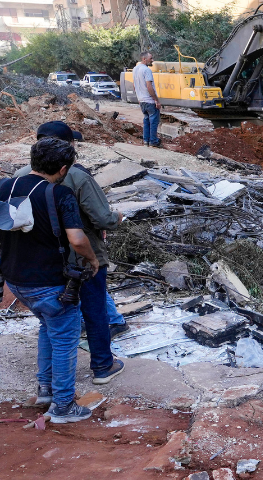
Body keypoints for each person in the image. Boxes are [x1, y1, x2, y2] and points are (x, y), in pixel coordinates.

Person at [16, 122, 129, 387]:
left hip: (41, 262)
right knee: (94, 310)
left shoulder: (19, 178)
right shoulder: (76, 177)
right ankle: (102, 365)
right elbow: (101, 219)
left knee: (50, 322)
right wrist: (118, 218)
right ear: (66, 149)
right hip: (81, 259)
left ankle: (48, 382)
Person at [0, 138, 101, 423]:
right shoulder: (59, 194)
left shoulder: (5, 187)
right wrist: (93, 261)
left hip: (16, 280)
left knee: (47, 328)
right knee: (65, 340)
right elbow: (78, 240)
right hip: (50, 282)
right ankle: (64, 406)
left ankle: (45, 389)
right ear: (63, 168)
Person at [132, 52, 163, 148]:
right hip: (149, 101)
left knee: (146, 120)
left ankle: (146, 140)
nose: (152, 60)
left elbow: (134, 85)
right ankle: (153, 141)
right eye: (151, 58)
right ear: (144, 59)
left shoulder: (135, 69)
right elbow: (149, 86)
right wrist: (157, 100)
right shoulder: (146, 70)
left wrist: (139, 97)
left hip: (142, 100)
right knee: (153, 121)